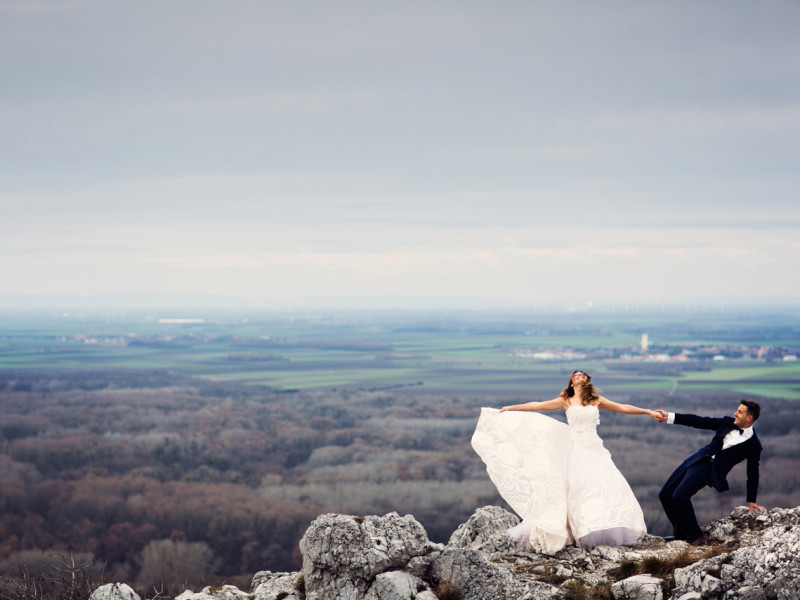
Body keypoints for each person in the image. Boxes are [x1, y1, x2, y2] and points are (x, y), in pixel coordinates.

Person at [471, 370, 662, 554]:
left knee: (603, 485)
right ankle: (573, 530)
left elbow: (624, 408)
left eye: (582, 374)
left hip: (594, 448)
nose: (579, 375)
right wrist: (512, 408)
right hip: (575, 449)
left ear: (587, 380)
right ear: (571, 381)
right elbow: (538, 405)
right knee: (576, 488)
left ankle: (598, 524)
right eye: (575, 375)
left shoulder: (596, 400)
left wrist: (647, 411)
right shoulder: (565, 400)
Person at [656, 400, 764, 545]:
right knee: (665, 494)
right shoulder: (727, 422)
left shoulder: (754, 445)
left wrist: (752, 500)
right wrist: (669, 416)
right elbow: (700, 421)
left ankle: (695, 535)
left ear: (749, 418)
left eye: (739, 412)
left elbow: (753, 472)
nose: (735, 413)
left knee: (679, 496)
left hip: (710, 469)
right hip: (697, 458)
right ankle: (680, 535)